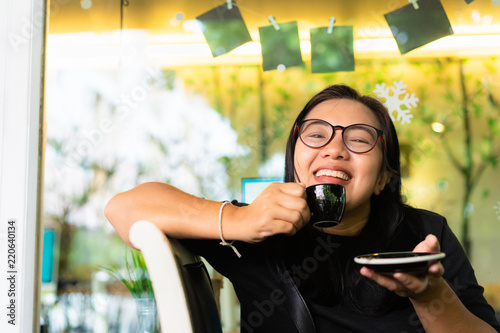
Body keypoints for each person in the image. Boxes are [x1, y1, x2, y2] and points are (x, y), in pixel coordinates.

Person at [105, 84, 500, 332]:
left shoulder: (424, 234)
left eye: (360, 139)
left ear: (383, 178)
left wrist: (430, 294)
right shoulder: (258, 229)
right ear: (295, 159)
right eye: (316, 135)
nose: (334, 147)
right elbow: (124, 209)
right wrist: (241, 220)